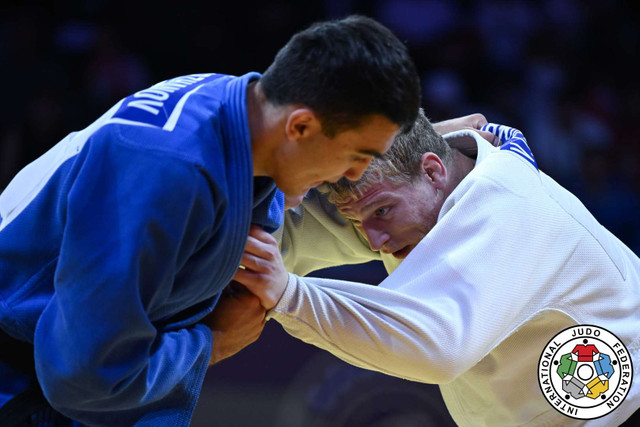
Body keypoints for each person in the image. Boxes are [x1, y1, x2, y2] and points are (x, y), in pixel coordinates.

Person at [0, 15, 421, 426]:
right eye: (357, 156)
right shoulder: (165, 173)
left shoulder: (237, 104)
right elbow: (83, 377)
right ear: (302, 126)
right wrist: (212, 344)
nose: (352, 174)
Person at [234, 110, 640, 426]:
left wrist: (289, 296)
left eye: (382, 212)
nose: (375, 241)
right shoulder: (420, 186)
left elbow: (438, 348)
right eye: (361, 222)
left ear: (433, 170)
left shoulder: (508, 208)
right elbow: (309, 227)